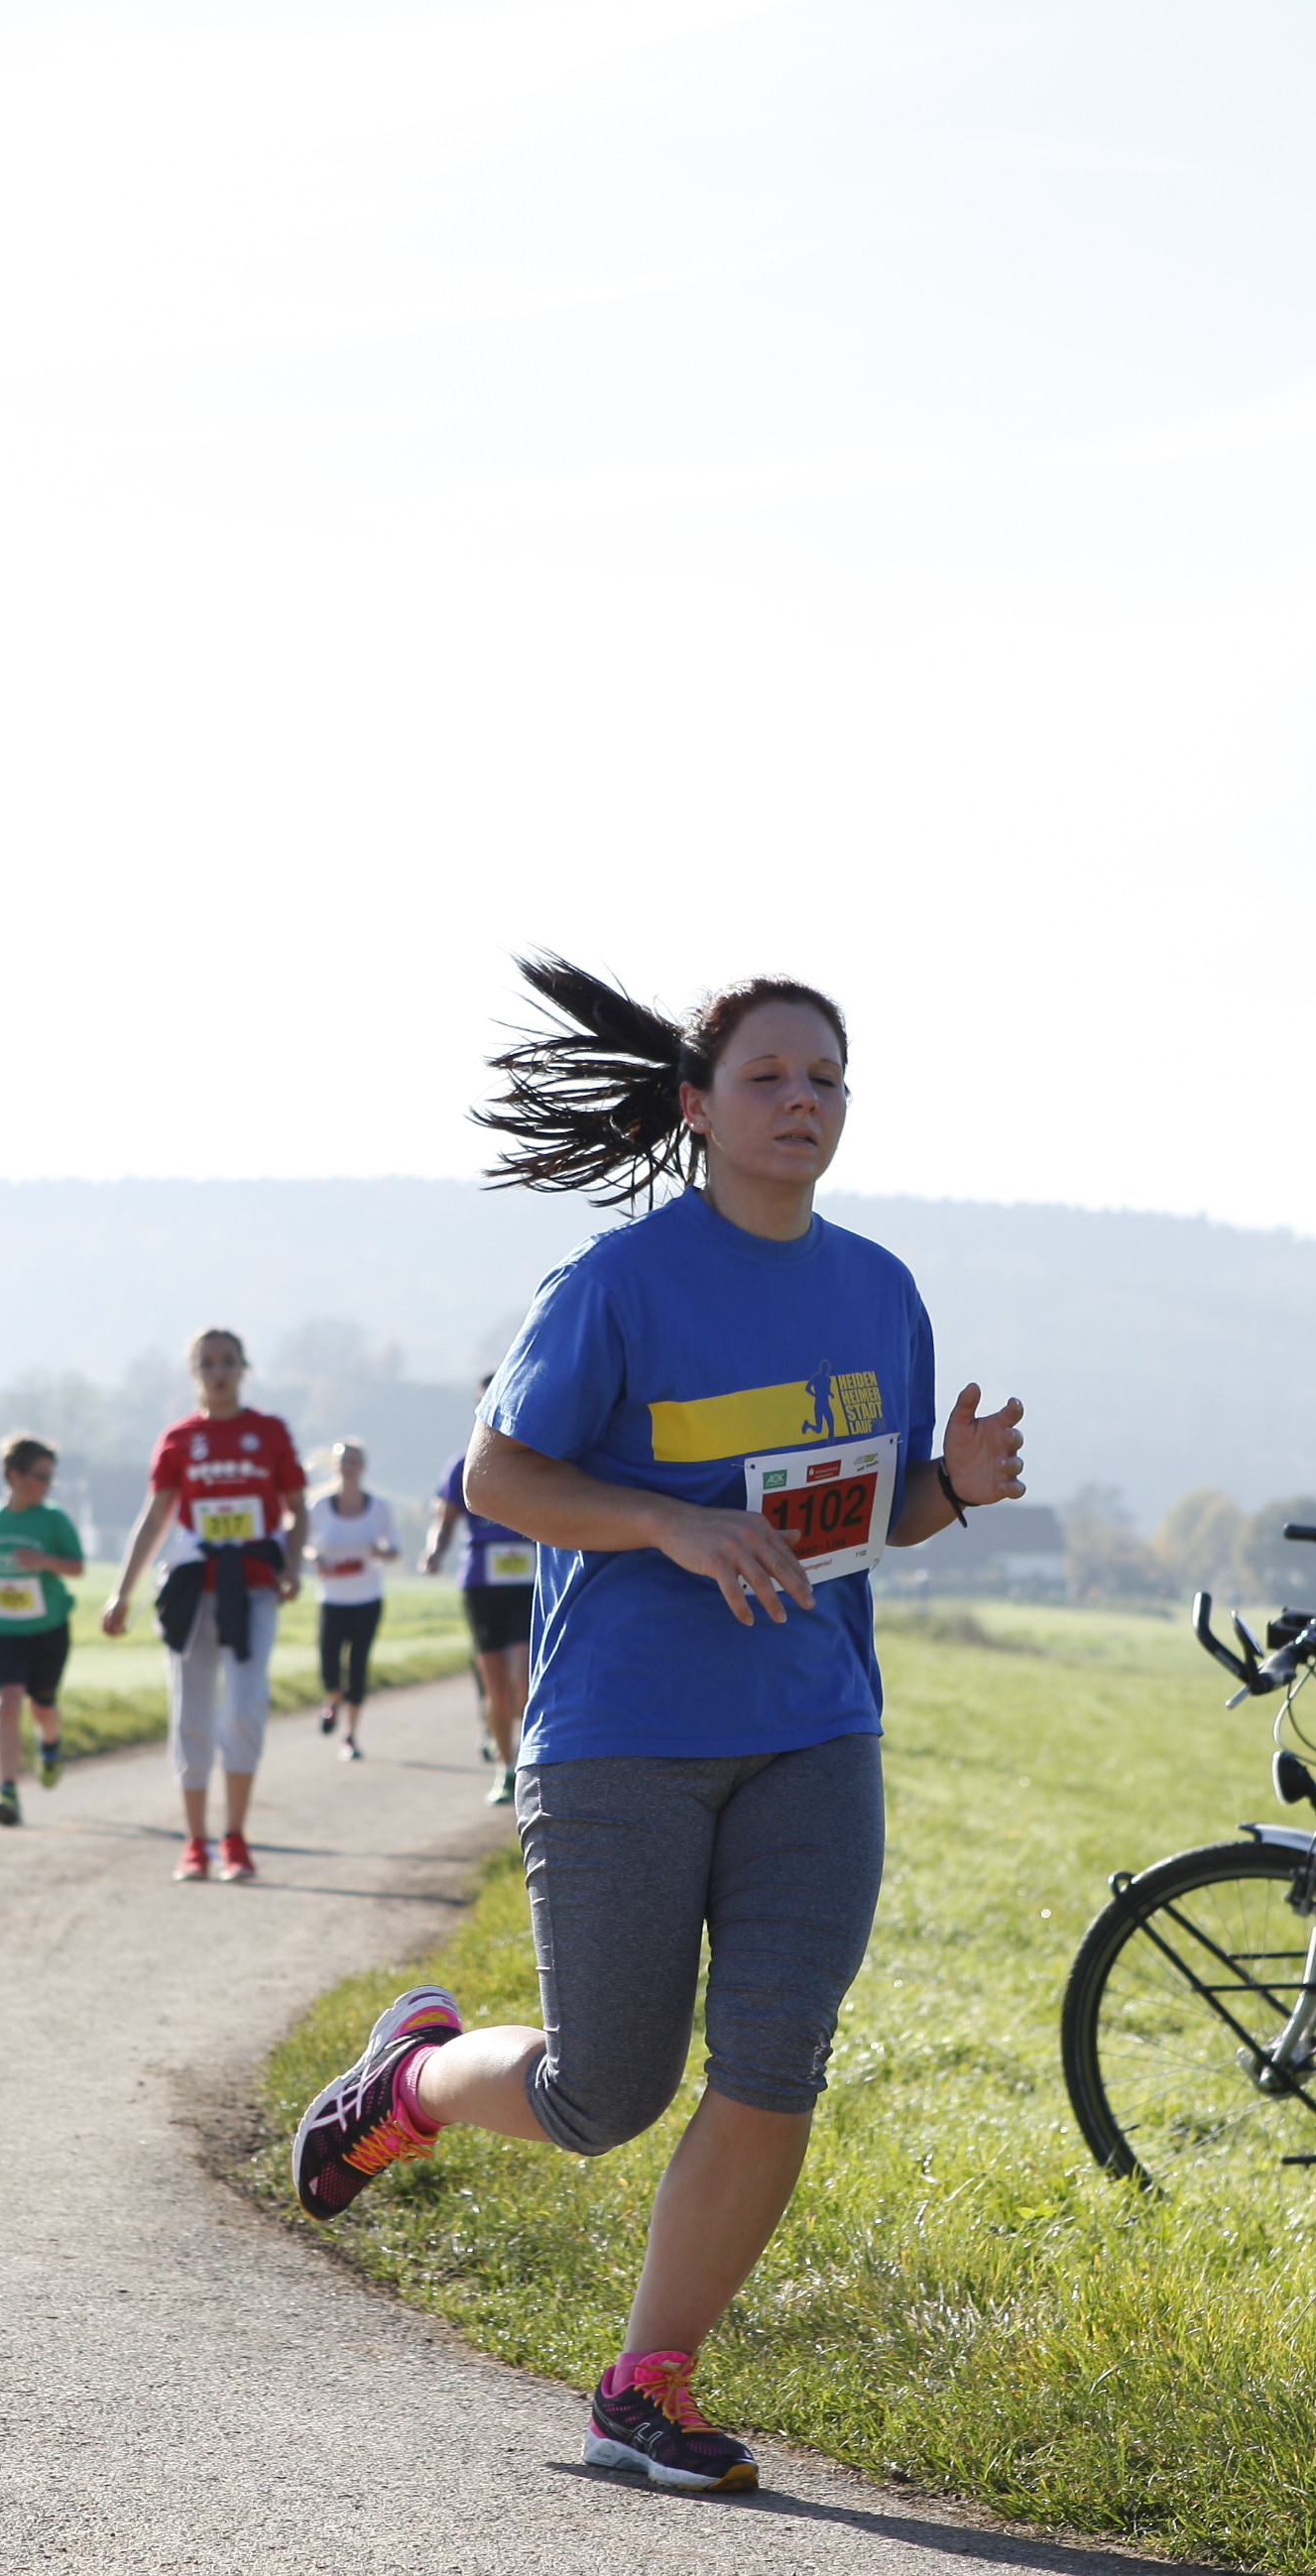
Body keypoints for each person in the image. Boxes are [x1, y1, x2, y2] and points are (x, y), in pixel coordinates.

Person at [289, 957, 1027, 2495]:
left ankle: (646, 2385)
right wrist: (666, 1524)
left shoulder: (879, 1290)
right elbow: (496, 1479)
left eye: (825, 1080)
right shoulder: (616, 1285)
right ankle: (412, 2080)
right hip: (621, 1731)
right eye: (768, 1077)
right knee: (602, 2095)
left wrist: (950, 1488)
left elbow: (859, 1513)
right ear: (697, 1105)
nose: (802, 1102)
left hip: (815, 1729)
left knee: (776, 2056)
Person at [100, 1328, 305, 1883]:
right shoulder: (179, 1439)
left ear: (243, 1368)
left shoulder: (269, 1433)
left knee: (243, 1708)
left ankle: (234, 1838)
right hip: (193, 1592)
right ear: (195, 1373)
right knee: (190, 1714)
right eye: (208, 1363)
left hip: (254, 1587)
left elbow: (296, 1509)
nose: (218, 1372)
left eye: (228, 1361)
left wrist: (292, 1564)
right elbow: (156, 1518)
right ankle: (194, 1843)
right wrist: (122, 1591)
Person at [0, 1435, 83, 1827]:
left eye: (51, 1477)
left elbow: (77, 1566)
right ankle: (6, 1790)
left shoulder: (53, 1519)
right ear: (14, 1475)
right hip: (5, 1630)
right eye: (41, 1476)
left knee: (43, 1707)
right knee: (7, 1703)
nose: (48, 1485)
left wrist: (43, 1560)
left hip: (49, 1628)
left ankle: (51, 1744)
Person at [423, 1382, 538, 1809]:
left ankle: (527, 1762)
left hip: (527, 1580)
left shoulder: (538, 1459)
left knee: (524, 1679)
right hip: (482, 1584)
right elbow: (445, 1520)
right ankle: (505, 1769)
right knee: (497, 1687)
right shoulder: (462, 1463)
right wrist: (434, 1552)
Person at [306, 1439, 399, 1760]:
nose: (349, 1467)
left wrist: (380, 1552)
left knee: (358, 1667)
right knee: (329, 1666)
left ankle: (350, 1736)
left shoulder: (379, 1507)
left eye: (355, 1461)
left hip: (367, 1598)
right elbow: (304, 1544)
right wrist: (315, 1559)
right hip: (332, 1598)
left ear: (363, 1466)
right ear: (335, 1466)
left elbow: (394, 1548)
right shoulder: (319, 1506)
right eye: (344, 1461)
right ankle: (334, 1697)